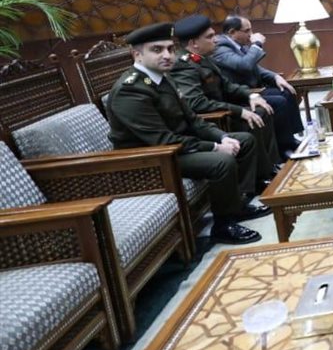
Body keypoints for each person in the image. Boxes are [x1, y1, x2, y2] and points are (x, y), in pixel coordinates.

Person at [106, 22, 264, 245]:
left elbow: (193, 120)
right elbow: (162, 140)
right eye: (157, 49)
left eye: (170, 49)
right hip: (150, 159)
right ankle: (223, 225)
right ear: (137, 54)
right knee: (221, 161)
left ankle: (237, 205)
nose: (167, 55)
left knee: (244, 140)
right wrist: (214, 147)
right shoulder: (131, 90)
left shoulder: (163, 77)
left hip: (177, 147)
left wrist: (221, 137)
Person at [170, 15, 281, 185]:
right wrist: (239, 111)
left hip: (221, 110)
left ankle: (269, 168)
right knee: (252, 118)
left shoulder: (203, 57)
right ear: (193, 43)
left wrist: (251, 95)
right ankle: (258, 180)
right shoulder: (183, 66)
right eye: (209, 37)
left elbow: (227, 86)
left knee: (261, 109)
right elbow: (197, 104)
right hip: (211, 120)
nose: (216, 39)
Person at [212, 14, 303, 154]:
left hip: (253, 89)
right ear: (232, 32)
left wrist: (275, 77)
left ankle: (291, 138)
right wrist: (257, 45)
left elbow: (255, 68)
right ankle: (284, 148)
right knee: (279, 102)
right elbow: (244, 65)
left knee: (287, 91)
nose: (251, 34)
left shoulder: (237, 44)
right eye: (247, 31)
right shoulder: (220, 48)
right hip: (239, 94)